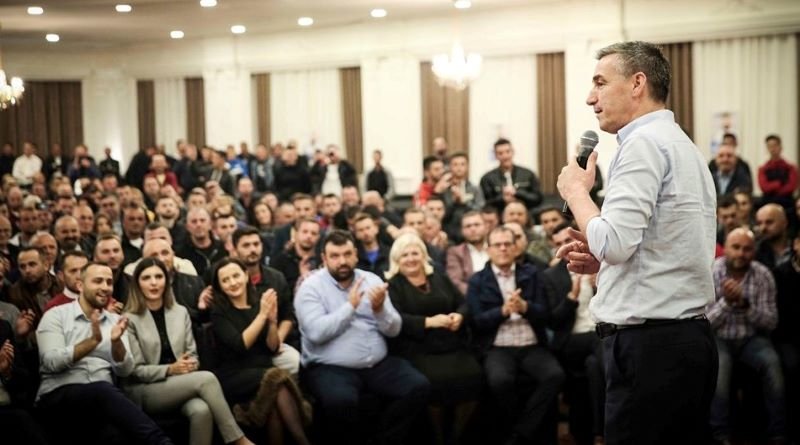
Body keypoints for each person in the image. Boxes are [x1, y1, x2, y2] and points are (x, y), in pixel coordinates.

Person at [556, 41, 718, 444]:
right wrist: (604, 264)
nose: (590, 98)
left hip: (650, 350)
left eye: (600, 83)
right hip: (680, 342)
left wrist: (576, 192)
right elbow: (665, 244)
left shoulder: (643, 144)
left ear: (637, 83)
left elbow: (614, 243)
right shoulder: (679, 143)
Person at [295, 230, 430, 445]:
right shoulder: (311, 287)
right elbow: (316, 333)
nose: (342, 261)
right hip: (330, 366)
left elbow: (394, 329)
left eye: (347, 254)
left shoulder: (371, 280)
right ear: (324, 258)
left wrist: (380, 310)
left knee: (418, 386)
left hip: (377, 364)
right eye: (335, 256)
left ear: (356, 255)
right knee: (341, 401)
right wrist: (350, 307)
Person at [35, 262, 174, 445]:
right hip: (59, 395)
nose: (105, 287)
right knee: (101, 390)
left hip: (102, 402)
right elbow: (50, 362)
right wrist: (92, 342)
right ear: (80, 285)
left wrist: (116, 343)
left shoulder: (115, 321)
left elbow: (125, 370)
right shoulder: (56, 316)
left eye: (109, 282)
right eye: (98, 281)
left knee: (115, 435)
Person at [122, 258, 254, 445]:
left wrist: (187, 366)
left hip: (180, 383)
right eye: (146, 278)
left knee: (201, 410)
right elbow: (136, 371)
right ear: (137, 284)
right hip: (145, 390)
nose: (154, 282)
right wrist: (170, 369)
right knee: (207, 378)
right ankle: (239, 440)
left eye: (159, 276)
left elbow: (192, 355)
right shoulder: (130, 319)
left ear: (167, 281)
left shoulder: (180, 312)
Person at [466, 226, 564, 445]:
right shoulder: (477, 281)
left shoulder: (532, 274)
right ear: (488, 249)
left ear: (515, 247)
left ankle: (521, 433)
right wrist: (503, 311)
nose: (503, 249)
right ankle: (514, 430)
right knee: (500, 381)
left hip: (531, 343)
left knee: (555, 375)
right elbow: (476, 322)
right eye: (497, 245)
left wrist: (525, 307)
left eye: (507, 244)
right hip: (498, 346)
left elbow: (545, 315)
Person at [386, 233, 482, 445]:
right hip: (418, 348)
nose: (411, 259)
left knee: (474, 376)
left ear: (423, 255)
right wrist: (428, 322)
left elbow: (463, 303)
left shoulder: (438, 277)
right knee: (435, 383)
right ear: (396, 259)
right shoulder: (392, 284)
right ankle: (436, 437)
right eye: (405, 255)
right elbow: (395, 319)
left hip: (451, 344)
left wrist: (460, 316)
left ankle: (456, 435)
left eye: (415, 253)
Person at [209, 258, 312, 445]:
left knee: (274, 400)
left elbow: (273, 348)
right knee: (277, 378)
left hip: (263, 368)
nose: (232, 282)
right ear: (220, 286)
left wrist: (272, 322)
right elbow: (241, 344)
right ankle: (302, 441)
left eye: (236, 276)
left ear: (246, 276)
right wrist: (262, 315)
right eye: (225, 280)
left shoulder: (259, 305)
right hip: (235, 374)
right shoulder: (219, 312)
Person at [707, 228, 786, 444]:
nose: (741, 253)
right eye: (736, 247)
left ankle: (778, 433)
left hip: (751, 338)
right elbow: (706, 324)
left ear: (754, 251)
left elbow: (771, 322)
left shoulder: (763, 275)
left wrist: (744, 305)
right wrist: (727, 303)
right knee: (720, 371)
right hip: (719, 338)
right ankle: (720, 435)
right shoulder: (711, 272)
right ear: (725, 248)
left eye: (747, 249)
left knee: (773, 365)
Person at [480, 138, 543, 210]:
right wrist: (502, 199)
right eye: (500, 153)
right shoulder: (487, 178)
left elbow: (538, 198)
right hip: (499, 214)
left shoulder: (528, 174)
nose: (505, 156)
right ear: (495, 155)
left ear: (513, 152)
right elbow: (485, 203)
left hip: (526, 213)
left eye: (508, 152)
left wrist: (517, 193)